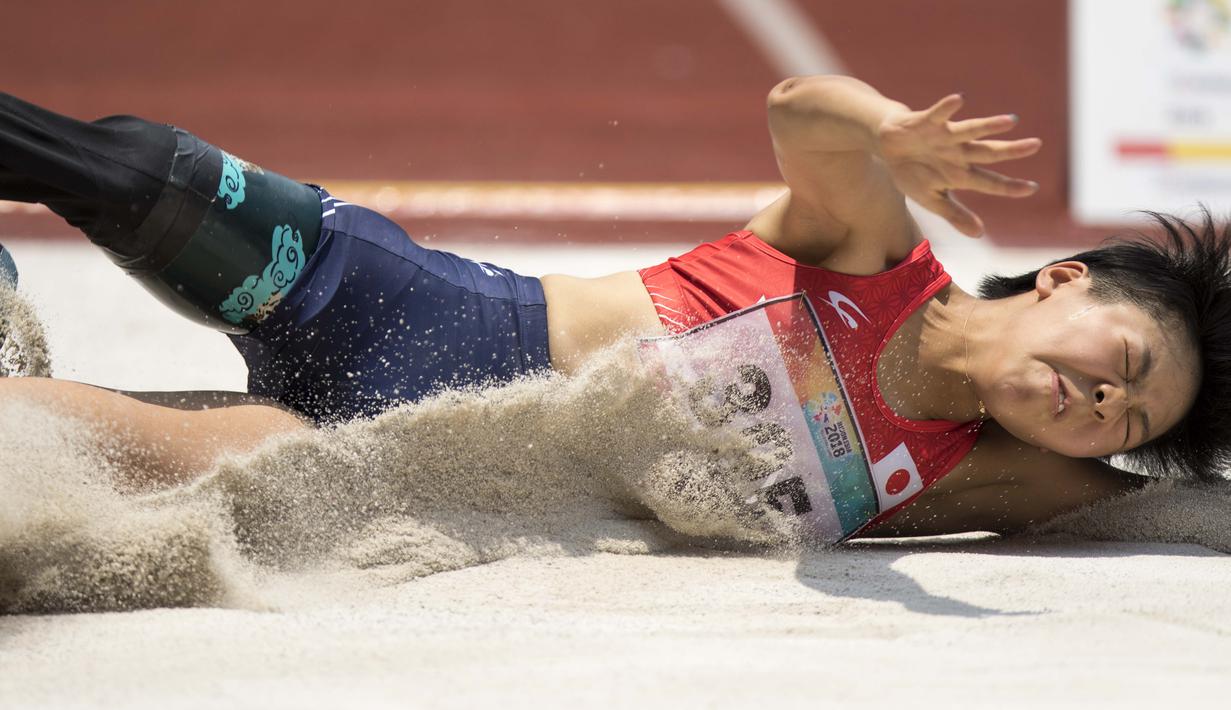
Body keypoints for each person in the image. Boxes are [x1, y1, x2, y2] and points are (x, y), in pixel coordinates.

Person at [0, 76, 1226, 538]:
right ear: (1064, 277)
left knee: (47, 453)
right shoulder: (876, 256)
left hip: (382, 465)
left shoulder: (995, 477)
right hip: (390, 306)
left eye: (1126, 416)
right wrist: (886, 128)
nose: (1100, 401)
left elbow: (1195, 514)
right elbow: (802, 116)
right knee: (130, 176)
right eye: (1121, 360)